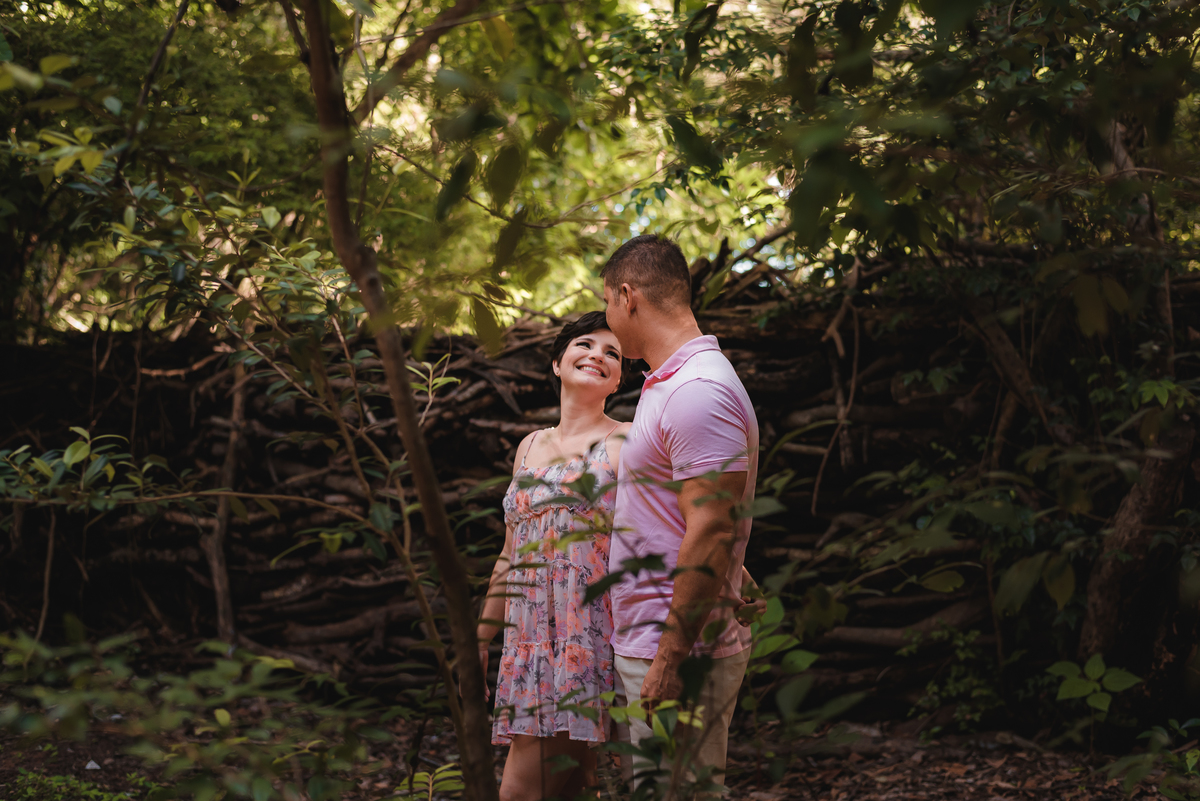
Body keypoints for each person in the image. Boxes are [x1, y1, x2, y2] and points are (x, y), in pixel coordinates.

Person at [601, 234, 761, 791]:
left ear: (628, 296)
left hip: (675, 646)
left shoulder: (697, 391)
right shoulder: (672, 384)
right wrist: (734, 566)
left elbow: (712, 524)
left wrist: (671, 656)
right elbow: (699, 514)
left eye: (606, 303)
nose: (607, 319)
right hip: (659, 638)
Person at [477, 311, 632, 801]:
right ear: (556, 363)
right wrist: (480, 642)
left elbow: (669, 527)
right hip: (527, 647)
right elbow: (509, 555)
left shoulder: (626, 441)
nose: (598, 356)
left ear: (620, 378)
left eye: (613, 353)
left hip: (585, 643)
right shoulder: (528, 447)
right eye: (585, 345)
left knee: (518, 795)